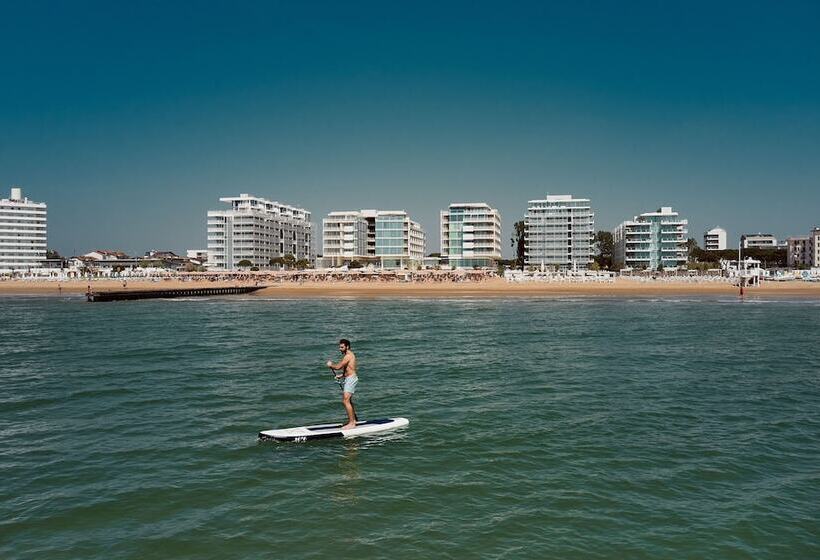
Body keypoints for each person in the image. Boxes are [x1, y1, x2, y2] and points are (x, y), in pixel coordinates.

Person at [326, 338, 358, 430]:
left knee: (345, 400)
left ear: (347, 347)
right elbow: (349, 368)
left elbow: (339, 366)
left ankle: (352, 423)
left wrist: (331, 365)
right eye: (339, 347)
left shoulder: (348, 356)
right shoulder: (347, 355)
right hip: (349, 378)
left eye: (342, 347)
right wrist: (342, 376)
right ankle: (353, 420)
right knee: (349, 400)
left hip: (351, 379)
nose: (340, 349)